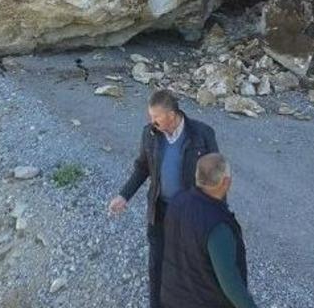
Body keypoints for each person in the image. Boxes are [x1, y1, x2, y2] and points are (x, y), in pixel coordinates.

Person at [108, 89, 219, 308]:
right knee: (157, 264)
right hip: (159, 211)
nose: (152, 121)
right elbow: (142, 168)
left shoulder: (202, 134)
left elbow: (215, 178)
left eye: (156, 117)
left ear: (171, 115)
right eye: (150, 116)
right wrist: (124, 195)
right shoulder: (149, 134)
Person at [161, 153, 257, 308]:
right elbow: (230, 284)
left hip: (172, 298)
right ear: (225, 182)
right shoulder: (218, 226)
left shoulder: (177, 202)